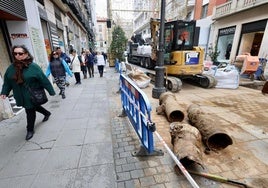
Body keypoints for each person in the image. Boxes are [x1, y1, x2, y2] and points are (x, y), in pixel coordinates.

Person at [0, 45, 56, 140]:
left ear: (26, 54)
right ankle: (47, 113)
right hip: (19, 95)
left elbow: (43, 79)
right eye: (15, 53)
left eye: (20, 53)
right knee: (32, 106)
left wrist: (51, 91)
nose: (17, 55)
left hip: (31, 93)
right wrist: (4, 92)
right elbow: (7, 82)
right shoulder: (11, 68)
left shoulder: (33, 67)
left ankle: (30, 129)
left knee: (29, 110)